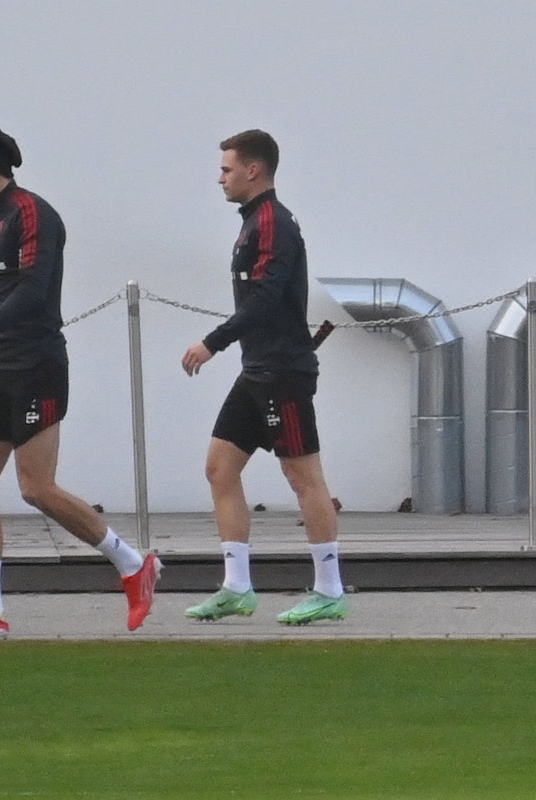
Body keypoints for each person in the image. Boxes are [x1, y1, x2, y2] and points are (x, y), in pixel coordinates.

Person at [0, 121, 161, 640]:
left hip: (36, 366)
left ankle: (132, 564)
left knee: (35, 487)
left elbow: (33, 294)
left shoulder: (33, 213)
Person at [181, 129, 347, 625]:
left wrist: (213, 342)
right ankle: (236, 587)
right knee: (219, 467)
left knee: (303, 476)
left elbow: (269, 296)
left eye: (227, 169)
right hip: (258, 372)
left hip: (283, 373)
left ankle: (330, 590)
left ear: (254, 170)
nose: (220, 178)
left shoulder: (273, 221)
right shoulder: (252, 221)